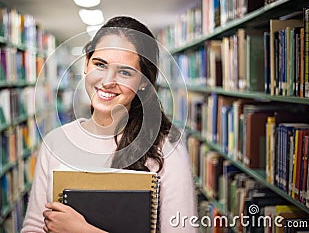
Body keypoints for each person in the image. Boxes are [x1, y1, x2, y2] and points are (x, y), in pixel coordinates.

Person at [22, 16, 197, 232]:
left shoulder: (167, 149)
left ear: (143, 82)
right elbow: (34, 227)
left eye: (125, 72)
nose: (107, 81)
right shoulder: (55, 143)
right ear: (86, 63)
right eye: (100, 65)